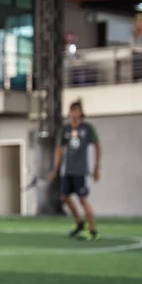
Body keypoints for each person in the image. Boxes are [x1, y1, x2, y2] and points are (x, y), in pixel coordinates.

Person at [49, 100, 101, 241]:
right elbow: (59, 150)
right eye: (72, 111)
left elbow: (97, 146)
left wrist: (96, 167)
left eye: (76, 111)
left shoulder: (87, 129)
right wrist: (54, 169)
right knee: (64, 197)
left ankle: (93, 230)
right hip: (68, 171)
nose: (74, 114)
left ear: (81, 113)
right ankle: (79, 223)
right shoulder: (65, 130)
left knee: (82, 199)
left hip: (81, 171)